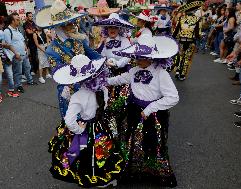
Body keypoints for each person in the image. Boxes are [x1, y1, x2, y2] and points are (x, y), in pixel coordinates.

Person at [107, 34, 179, 187]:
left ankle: (153, 172)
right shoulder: (133, 71)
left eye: (143, 57)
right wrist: (103, 81)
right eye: (137, 57)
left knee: (152, 143)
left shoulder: (161, 73)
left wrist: (150, 108)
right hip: (134, 111)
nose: (139, 60)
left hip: (154, 114)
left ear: (152, 57)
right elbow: (120, 79)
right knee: (132, 141)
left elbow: (173, 97)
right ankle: (134, 170)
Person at [49, 54, 122, 188]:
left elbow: (69, 121)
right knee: (103, 152)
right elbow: (103, 107)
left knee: (86, 153)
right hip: (101, 125)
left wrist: (80, 129)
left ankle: (93, 177)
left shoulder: (78, 96)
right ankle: (106, 177)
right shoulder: (103, 88)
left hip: (87, 128)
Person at [35, 0, 102, 118]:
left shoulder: (78, 39)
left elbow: (92, 54)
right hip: (71, 91)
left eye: (72, 22)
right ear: (60, 27)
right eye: (70, 23)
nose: (74, 25)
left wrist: (105, 62)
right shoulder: (52, 50)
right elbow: (60, 76)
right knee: (76, 124)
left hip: (89, 86)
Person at [4, 12, 36, 94]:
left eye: (19, 19)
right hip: (16, 55)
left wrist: (26, 48)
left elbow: (22, 40)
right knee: (17, 72)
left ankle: (30, 81)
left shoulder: (18, 29)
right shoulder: (7, 31)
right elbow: (8, 45)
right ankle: (18, 86)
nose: (19, 21)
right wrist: (15, 54)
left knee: (27, 68)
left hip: (24, 53)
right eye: (17, 20)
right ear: (12, 21)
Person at [172, 0, 203, 81]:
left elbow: (175, 31)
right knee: (187, 58)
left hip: (181, 41)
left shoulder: (181, 18)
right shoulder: (197, 19)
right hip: (191, 42)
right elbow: (197, 34)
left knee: (180, 56)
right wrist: (200, 37)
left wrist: (172, 38)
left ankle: (178, 71)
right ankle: (182, 75)